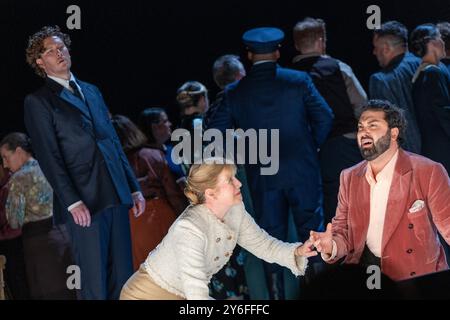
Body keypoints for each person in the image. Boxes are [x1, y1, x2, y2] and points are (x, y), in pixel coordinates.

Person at [208, 27, 333, 299]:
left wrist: (246, 150)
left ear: (249, 55)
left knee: (270, 242)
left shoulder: (235, 92)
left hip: (264, 176)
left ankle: (277, 297)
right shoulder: (299, 81)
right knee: (314, 236)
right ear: (278, 52)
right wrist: (310, 148)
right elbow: (325, 117)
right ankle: (321, 294)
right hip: (303, 171)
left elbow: (213, 132)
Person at [23, 25, 145, 299]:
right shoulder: (38, 102)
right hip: (84, 201)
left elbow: (112, 141)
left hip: (115, 191)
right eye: (50, 51)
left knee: (124, 277)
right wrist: (72, 200)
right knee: (95, 281)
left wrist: (132, 186)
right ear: (40, 62)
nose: (59, 53)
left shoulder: (92, 90)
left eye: (61, 47)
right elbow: (48, 156)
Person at [120, 159, 317, 300]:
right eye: (230, 180)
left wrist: (297, 251)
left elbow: (263, 245)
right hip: (145, 294)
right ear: (210, 193)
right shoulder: (189, 228)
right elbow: (196, 291)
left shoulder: (235, 210)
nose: (239, 183)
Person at [310, 100, 450, 281]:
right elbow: (342, 234)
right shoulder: (349, 177)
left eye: (372, 125)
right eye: (360, 127)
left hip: (416, 273)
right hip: (369, 273)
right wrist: (331, 246)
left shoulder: (428, 171)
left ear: (393, 133)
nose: (363, 132)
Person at [291, 17, 365, 224]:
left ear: (297, 45)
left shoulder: (289, 77)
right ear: (322, 40)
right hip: (343, 145)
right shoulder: (338, 68)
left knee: (318, 208)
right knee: (352, 203)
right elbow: (362, 107)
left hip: (304, 151)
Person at [0, 133, 75, 299]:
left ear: (19, 152)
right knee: (71, 288)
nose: (5, 164)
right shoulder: (50, 167)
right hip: (65, 236)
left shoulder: (18, 179)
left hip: (39, 244)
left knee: (48, 292)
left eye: (6, 157)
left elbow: (14, 221)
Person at [111, 115, 188, 270]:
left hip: (131, 222)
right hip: (158, 213)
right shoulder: (151, 155)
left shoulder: (111, 165)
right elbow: (173, 193)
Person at [369, 21, 422, 154]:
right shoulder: (429, 67)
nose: (374, 52)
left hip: (411, 158)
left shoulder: (380, 80)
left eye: (376, 47)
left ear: (386, 48)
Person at [410, 24, 450, 174]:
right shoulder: (433, 73)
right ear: (432, 43)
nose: (443, 42)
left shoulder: (421, 74)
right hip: (443, 150)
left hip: (433, 148)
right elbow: (444, 113)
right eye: (440, 38)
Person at [0, 164, 29, 299]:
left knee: (19, 281)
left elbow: (15, 224)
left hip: (15, 243)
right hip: (7, 243)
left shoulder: (11, 186)